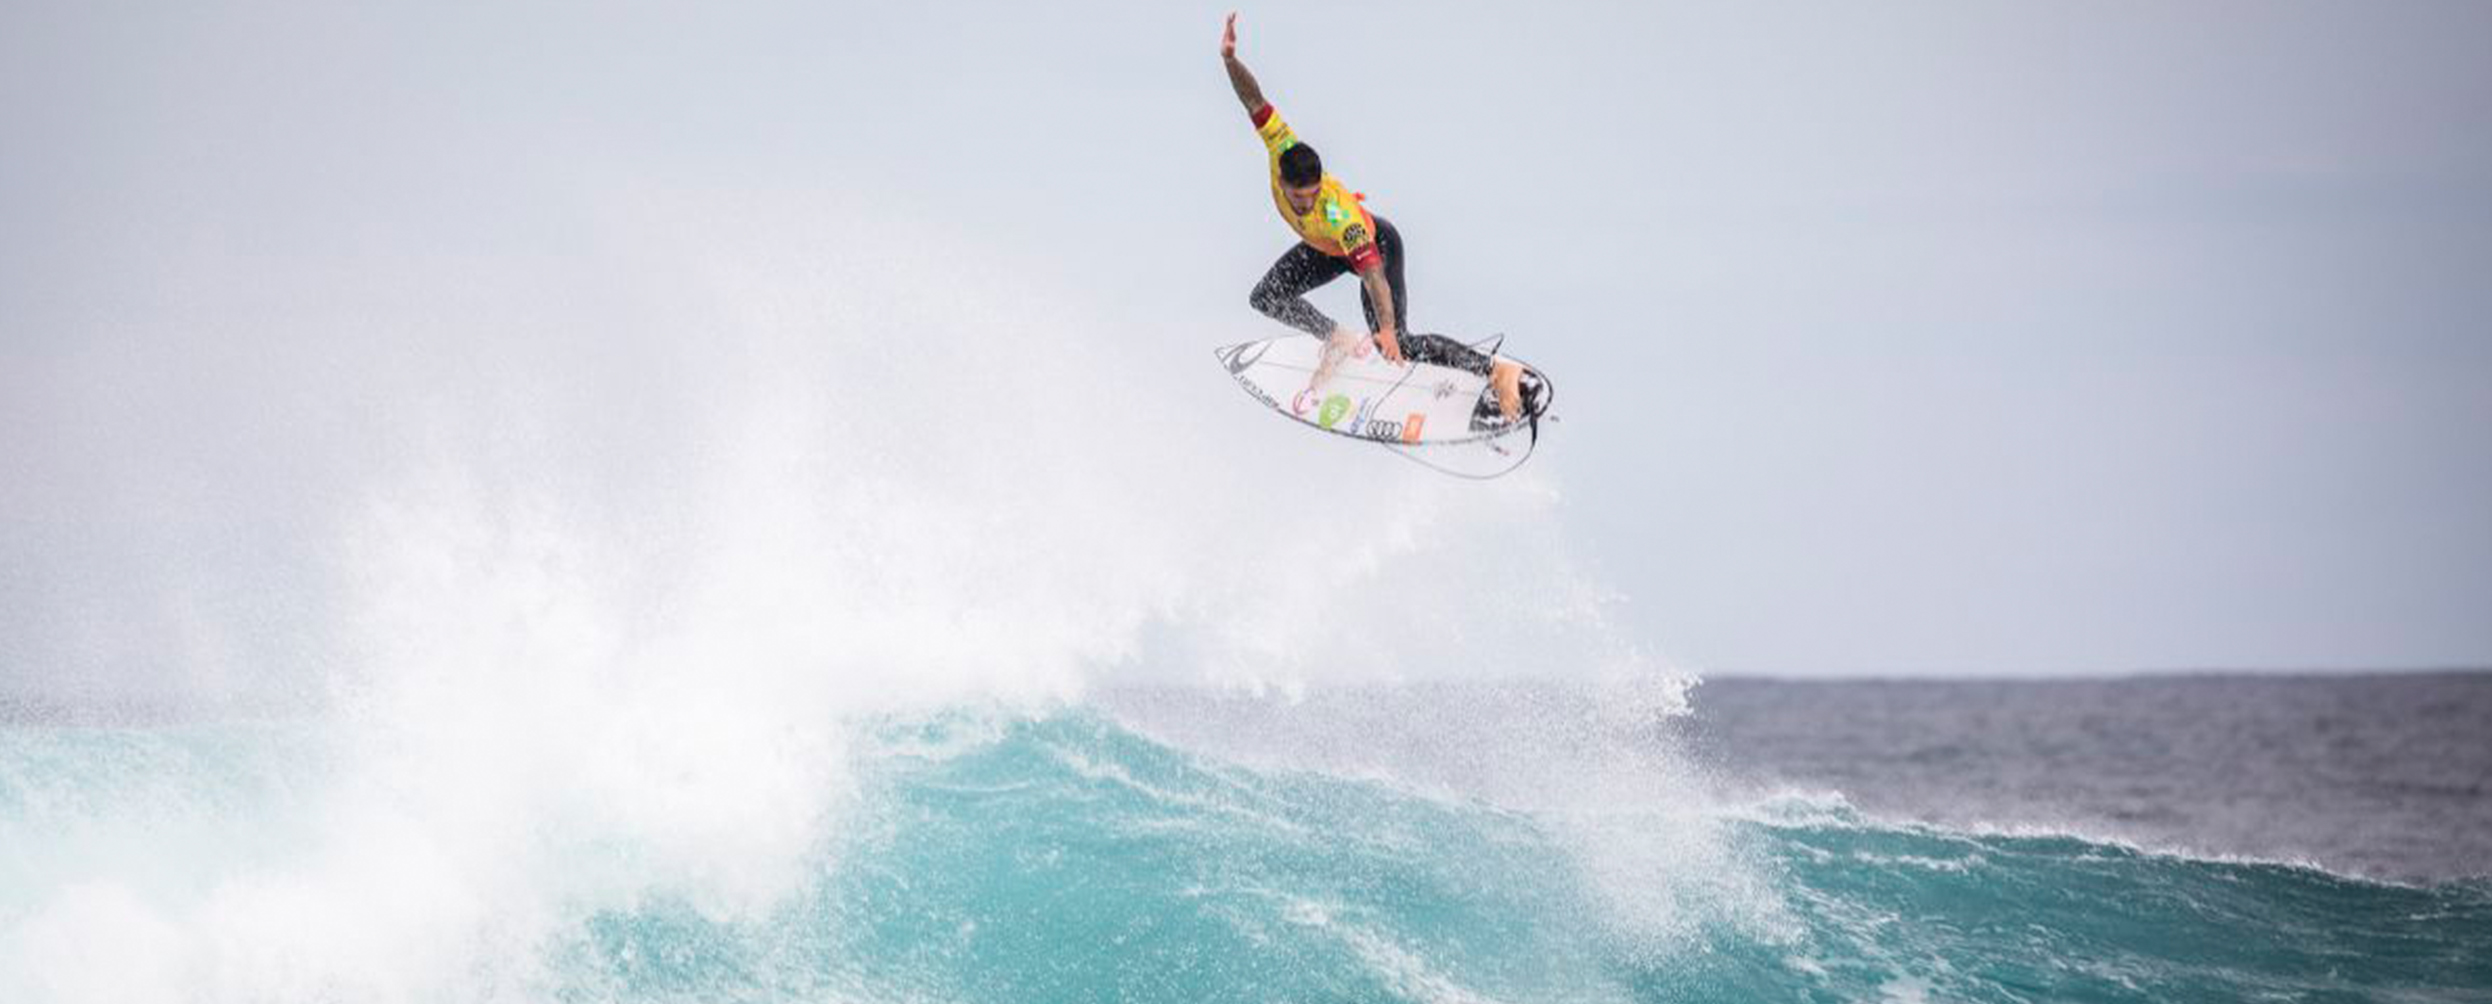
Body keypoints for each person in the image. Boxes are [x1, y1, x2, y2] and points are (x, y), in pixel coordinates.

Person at [1220, 11, 1529, 421]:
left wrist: (1384, 328)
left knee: (1395, 339)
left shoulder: (1338, 214)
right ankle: (1335, 340)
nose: (1306, 204)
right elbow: (1253, 99)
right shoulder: (1280, 146)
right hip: (1326, 249)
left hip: (1375, 247)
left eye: (1312, 196)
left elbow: (1373, 277)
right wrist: (1229, 60)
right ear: (1283, 177)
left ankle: (1495, 370)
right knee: (1266, 297)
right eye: (1300, 198)